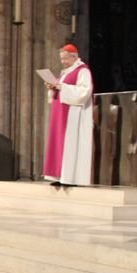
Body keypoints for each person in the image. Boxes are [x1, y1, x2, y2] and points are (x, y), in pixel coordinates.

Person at [43, 43, 93, 186]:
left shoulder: (82, 71)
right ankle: (58, 176)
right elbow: (60, 90)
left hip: (73, 115)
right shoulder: (66, 72)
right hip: (60, 113)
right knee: (58, 143)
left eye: (65, 59)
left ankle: (69, 178)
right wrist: (52, 88)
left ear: (74, 57)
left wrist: (61, 87)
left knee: (69, 145)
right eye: (61, 59)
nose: (63, 62)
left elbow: (85, 91)